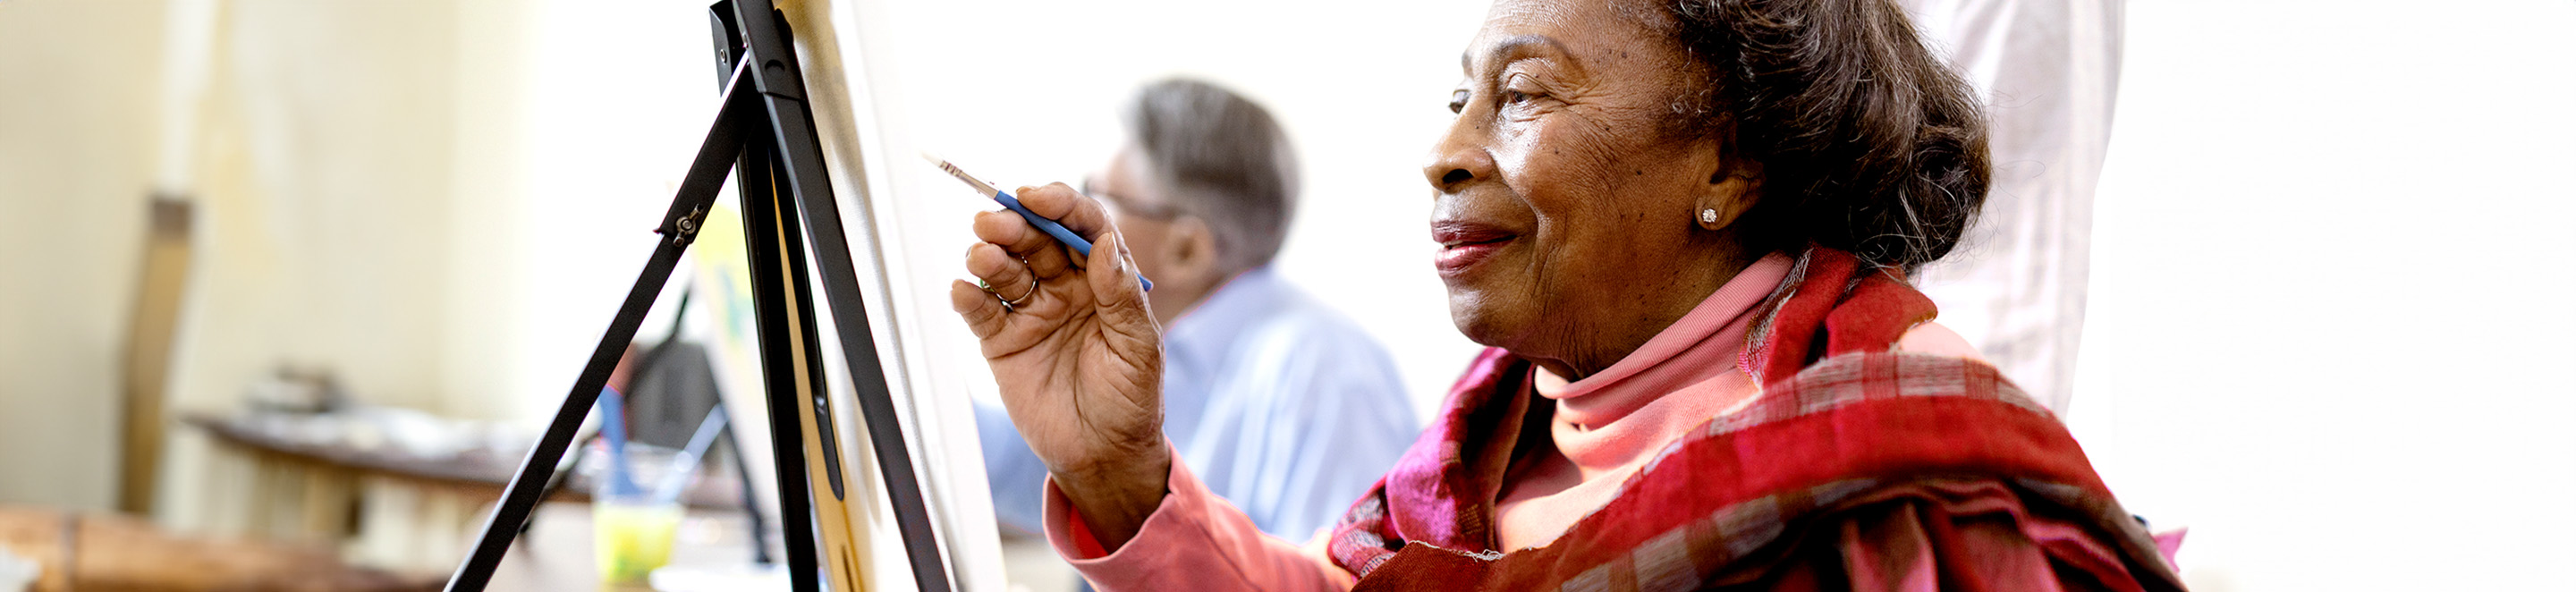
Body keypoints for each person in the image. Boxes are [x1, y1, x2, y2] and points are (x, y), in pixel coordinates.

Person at [949, 0, 2183, 589]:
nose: (1446, 151)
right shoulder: (1489, 439)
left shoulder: (1903, 504)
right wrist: (1123, 473)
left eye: (1524, 95)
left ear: (1727, 166)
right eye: (1458, 99)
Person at [972, 79, 1420, 543]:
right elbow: (1008, 469)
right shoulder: (1146, 351)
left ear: (1186, 250)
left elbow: (1352, 576)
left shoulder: (1327, 374)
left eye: (1103, 195)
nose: (1072, 217)